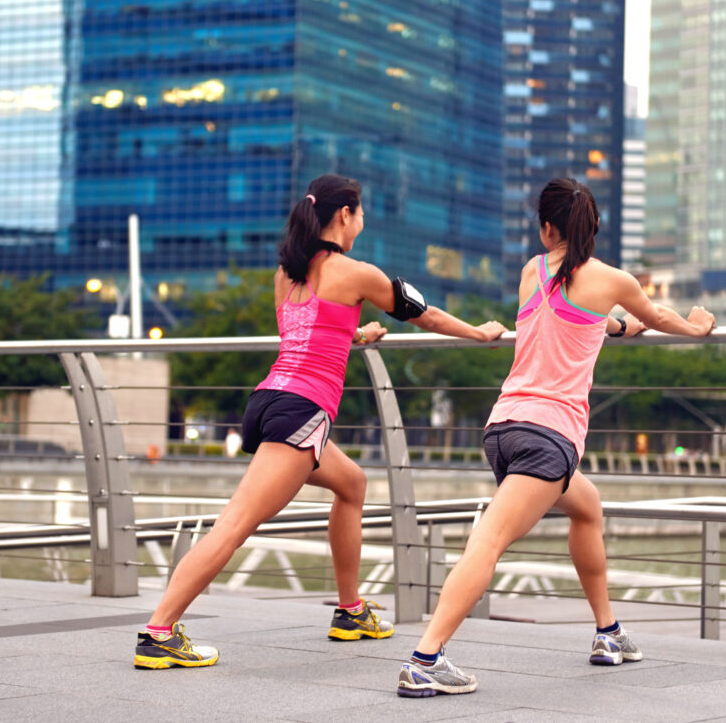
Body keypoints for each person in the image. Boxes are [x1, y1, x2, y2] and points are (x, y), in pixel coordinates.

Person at [134, 174, 507, 670]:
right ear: (345, 215)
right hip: (300, 412)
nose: (363, 221)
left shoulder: (287, 274)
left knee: (352, 483)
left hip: (271, 399)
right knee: (234, 525)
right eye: (361, 212)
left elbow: (304, 336)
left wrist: (354, 334)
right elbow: (429, 316)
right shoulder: (355, 272)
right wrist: (480, 334)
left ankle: (351, 611)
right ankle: (159, 631)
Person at [396, 177, 716, 697]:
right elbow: (658, 318)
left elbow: (573, 318)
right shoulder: (614, 280)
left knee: (586, 506)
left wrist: (612, 328)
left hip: (504, 428)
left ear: (548, 229)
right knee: (490, 539)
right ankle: (424, 658)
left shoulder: (533, 270)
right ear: (592, 227)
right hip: (549, 437)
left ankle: (608, 633)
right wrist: (698, 328)